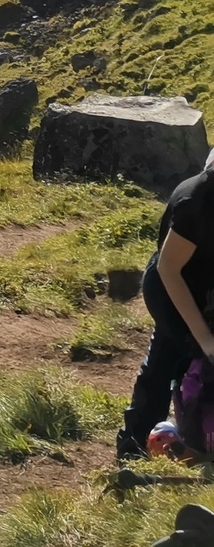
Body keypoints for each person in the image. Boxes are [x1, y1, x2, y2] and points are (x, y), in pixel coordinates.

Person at [122, 163, 214, 459]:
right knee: (172, 360)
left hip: (209, 287)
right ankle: (134, 448)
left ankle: (199, 443)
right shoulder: (198, 200)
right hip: (172, 288)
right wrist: (205, 340)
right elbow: (168, 268)